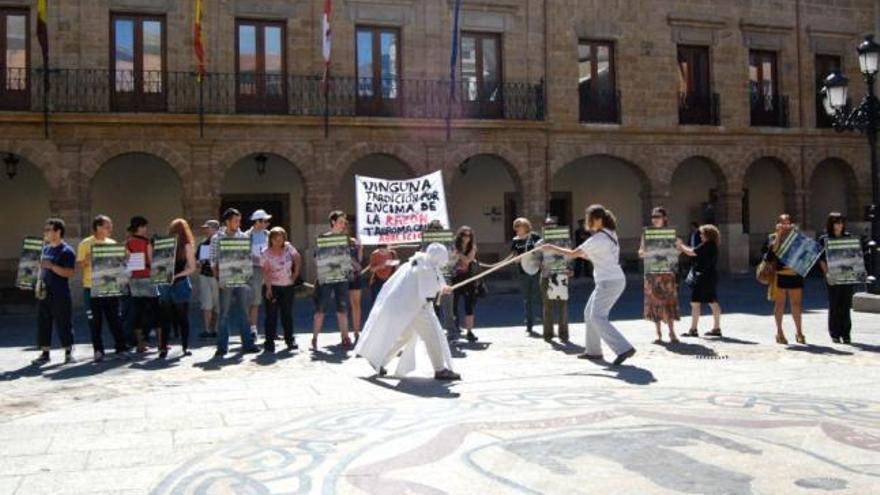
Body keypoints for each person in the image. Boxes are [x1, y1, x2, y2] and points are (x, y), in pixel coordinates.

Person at [541, 205, 635, 366]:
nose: (588, 223)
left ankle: (623, 348)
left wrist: (550, 247)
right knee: (588, 313)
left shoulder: (598, 239)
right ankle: (593, 351)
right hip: (610, 280)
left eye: (590, 220)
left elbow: (573, 254)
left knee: (597, 316)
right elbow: (590, 256)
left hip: (609, 282)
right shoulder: (609, 234)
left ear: (598, 220)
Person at [355, 243, 460, 381]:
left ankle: (378, 360)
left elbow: (434, 277)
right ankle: (440, 369)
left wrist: (443, 286)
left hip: (405, 306)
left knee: (405, 335)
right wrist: (442, 289)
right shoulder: (424, 268)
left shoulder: (421, 260)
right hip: (416, 307)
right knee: (433, 336)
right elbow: (428, 290)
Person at [77, 215, 129, 362]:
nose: (110, 228)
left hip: (111, 288)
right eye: (107, 226)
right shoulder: (85, 243)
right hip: (91, 288)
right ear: (98, 227)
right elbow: (80, 265)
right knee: (95, 322)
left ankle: (121, 349)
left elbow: (120, 265)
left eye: (110, 225)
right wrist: (93, 257)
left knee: (115, 320)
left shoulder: (112, 243)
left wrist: (124, 256)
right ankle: (98, 351)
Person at [212, 208, 259, 357]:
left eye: (239, 220)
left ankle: (247, 344)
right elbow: (213, 261)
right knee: (224, 313)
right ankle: (222, 347)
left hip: (241, 281)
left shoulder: (243, 237)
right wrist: (218, 279)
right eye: (235, 220)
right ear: (227, 221)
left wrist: (248, 279)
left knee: (244, 312)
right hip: (225, 280)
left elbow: (247, 258)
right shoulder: (216, 238)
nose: (238, 223)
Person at [31, 218, 77, 365]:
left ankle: (68, 354)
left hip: (60, 293)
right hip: (44, 292)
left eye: (48, 230)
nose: (45, 232)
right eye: (45, 230)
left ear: (58, 231)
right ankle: (45, 353)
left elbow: (69, 273)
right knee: (43, 323)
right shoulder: (45, 249)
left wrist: (51, 266)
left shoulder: (67, 251)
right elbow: (40, 269)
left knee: (64, 323)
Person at [638, 207, 680, 343]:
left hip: (667, 273)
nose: (655, 219)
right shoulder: (647, 233)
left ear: (664, 218)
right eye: (653, 217)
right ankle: (658, 333)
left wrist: (675, 254)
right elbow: (641, 249)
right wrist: (641, 253)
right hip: (652, 272)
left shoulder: (670, 234)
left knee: (669, 301)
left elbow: (678, 250)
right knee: (654, 302)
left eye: (658, 216)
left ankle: (672, 332)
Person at [312, 211, 352, 350]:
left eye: (344, 222)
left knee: (342, 308)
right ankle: (315, 338)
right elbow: (316, 258)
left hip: (341, 278)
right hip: (326, 278)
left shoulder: (345, 239)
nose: (343, 225)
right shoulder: (322, 238)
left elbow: (347, 258)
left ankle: (345, 337)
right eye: (341, 221)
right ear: (333, 222)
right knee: (320, 309)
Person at [763, 214, 806, 345]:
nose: (785, 225)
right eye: (782, 223)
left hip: (795, 273)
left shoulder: (796, 237)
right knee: (780, 304)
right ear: (777, 224)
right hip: (780, 274)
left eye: (788, 223)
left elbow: (805, 252)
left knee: (796, 304)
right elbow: (771, 255)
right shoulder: (773, 238)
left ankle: (799, 332)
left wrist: (796, 233)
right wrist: (779, 235)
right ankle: (779, 332)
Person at [158, 219, 197, 358]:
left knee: (165, 318)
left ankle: (163, 348)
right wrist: (178, 275)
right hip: (180, 282)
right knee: (183, 318)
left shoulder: (164, 245)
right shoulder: (187, 245)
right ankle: (185, 347)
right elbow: (192, 268)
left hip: (165, 283)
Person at [676, 224, 722, 337]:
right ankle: (716, 328)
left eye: (702, 234)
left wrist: (681, 246)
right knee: (712, 302)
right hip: (709, 277)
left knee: (696, 303)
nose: (700, 236)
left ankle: (693, 329)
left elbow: (692, 252)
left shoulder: (708, 244)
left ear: (707, 235)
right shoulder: (711, 245)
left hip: (703, 277)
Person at [261, 226, 302, 352]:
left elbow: (297, 258)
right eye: (276, 239)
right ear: (271, 240)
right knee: (271, 316)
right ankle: (269, 342)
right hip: (272, 286)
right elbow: (266, 271)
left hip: (287, 286)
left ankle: (289, 340)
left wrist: (295, 273)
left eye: (281, 239)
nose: (279, 242)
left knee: (287, 314)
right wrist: (268, 289)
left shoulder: (288, 247)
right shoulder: (265, 252)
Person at [818, 212, 856, 344]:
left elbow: (855, 256)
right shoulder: (824, 239)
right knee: (834, 304)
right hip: (832, 275)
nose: (840, 225)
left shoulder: (849, 237)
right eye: (837, 222)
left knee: (846, 304)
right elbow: (821, 259)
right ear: (831, 224)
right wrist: (827, 273)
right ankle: (834, 333)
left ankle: (846, 334)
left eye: (841, 222)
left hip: (847, 275)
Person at [125, 216, 157, 353]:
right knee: (153, 310)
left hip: (133, 278)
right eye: (144, 226)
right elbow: (151, 259)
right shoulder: (146, 242)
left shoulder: (127, 242)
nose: (146, 229)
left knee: (137, 311)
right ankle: (153, 339)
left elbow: (126, 259)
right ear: (139, 227)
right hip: (147, 276)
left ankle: (139, 343)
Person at [539, 215, 570, 343]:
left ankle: (563, 334)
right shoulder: (540, 242)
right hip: (546, 275)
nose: (550, 226)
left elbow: (569, 254)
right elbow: (534, 259)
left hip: (560, 274)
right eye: (547, 224)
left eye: (552, 224)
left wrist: (570, 268)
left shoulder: (564, 240)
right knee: (547, 306)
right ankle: (548, 334)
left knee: (563, 306)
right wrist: (537, 263)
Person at [509, 217, 542, 335]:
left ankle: (542, 318)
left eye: (520, 226)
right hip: (523, 271)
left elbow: (542, 251)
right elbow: (514, 257)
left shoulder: (535, 237)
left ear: (526, 226)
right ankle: (529, 323)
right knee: (526, 299)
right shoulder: (515, 241)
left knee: (538, 295)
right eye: (516, 226)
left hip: (536, 270)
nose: (517, 228)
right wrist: (516, 259)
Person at [246, 209, 272, 341]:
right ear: (257, 222)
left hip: (269, 269)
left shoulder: (269, 234)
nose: (267, 223)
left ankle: (271, 329)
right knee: (255, 300)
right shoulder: (247, 236)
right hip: (255, 270)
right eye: (264, 221)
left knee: (272, 298)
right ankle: (253, 328)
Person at [452, 226, 479, 343]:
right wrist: (456, 254)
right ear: (460, 236)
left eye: (468, 235)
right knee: (453, 305)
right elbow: (450, 259)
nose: (466, 238)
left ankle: (469, 331)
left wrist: (459, 254)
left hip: (468, 279)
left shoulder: (472, 247)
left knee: (469, 306)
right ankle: (455, 329)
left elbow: (468, 260)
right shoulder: (454, 246)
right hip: (455, 278)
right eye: (464, 235)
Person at [197, 220, 220, 338]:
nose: (206, 230)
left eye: (208, 228)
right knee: (206, 303)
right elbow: (197, 260)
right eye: (205, 228)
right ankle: (207, 329)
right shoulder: (202, 244)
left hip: (217, 277)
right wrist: (199, 262)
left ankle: (215, 328)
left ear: (216, 229)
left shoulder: (221, 242)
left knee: (217, 303)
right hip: (205, 275)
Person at [348, 226, 365, 344]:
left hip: (355, 277)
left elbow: (359, 259)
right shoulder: (338, 242)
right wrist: (354, 263)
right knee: (343, 306)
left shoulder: (355, 243)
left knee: (356, 304)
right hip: (343, 276)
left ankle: (356, 331)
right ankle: (344, 334)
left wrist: (360, 249)